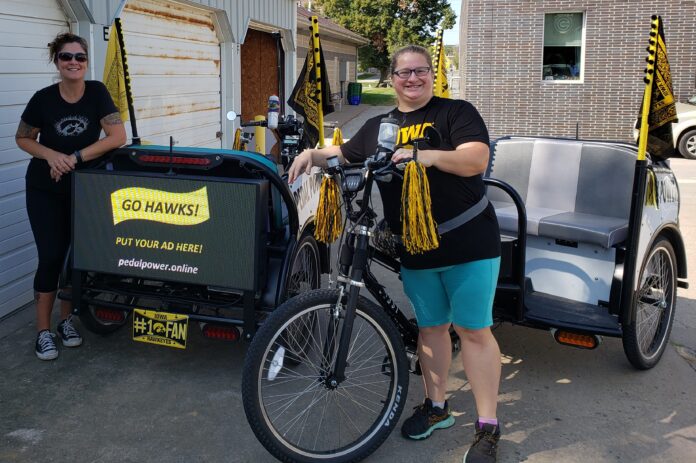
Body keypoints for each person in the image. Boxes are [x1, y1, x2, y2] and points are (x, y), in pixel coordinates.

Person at [288, 45, 503, 462]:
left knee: (474, 331)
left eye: (420, 71)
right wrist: (312, 154)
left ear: (430, 75)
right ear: (392, 78)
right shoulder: (378, 125)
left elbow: (476, 159)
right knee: (431, 329)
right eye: (403, 73)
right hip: (417, 246)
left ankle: (488, 427)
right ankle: (437, 407)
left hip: (468, 241)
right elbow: (345, 152)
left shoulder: (455, 113)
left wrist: (424, 157)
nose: (412, 79)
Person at [15, 33, 126, 361]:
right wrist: (52, 156)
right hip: (44, 188)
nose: (74, 62)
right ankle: (42, 331)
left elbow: (117, 135)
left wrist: (73, 158)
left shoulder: (97, 93)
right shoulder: (43, 98)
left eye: (79, 57)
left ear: (86, 61)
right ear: (57, 61)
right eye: (66, 57)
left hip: (83, 188)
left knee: (73, 256)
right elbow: (23, 138)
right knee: (50, 256)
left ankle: (66, 322)